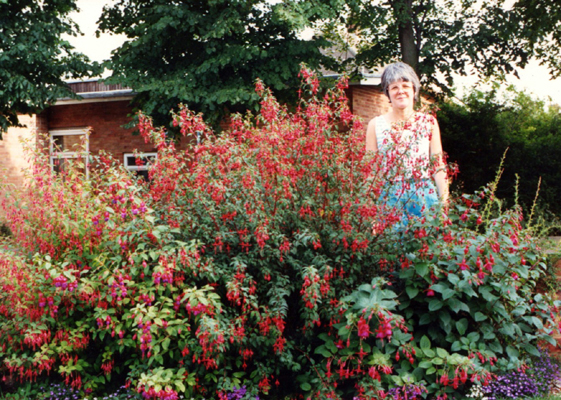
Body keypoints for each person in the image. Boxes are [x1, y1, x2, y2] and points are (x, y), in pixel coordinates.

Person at [366, 62, 449, 228]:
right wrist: (370, 214)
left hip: (424, 195)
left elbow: (438, 166)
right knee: (390, 249)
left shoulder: (429, 122)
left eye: (405, 85)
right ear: (387, 92)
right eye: (394, 87)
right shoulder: (375, 125)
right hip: (389, 197)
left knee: (426, 248)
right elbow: (370, 171)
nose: (400, 91)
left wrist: (444, 205)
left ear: (414, 90)